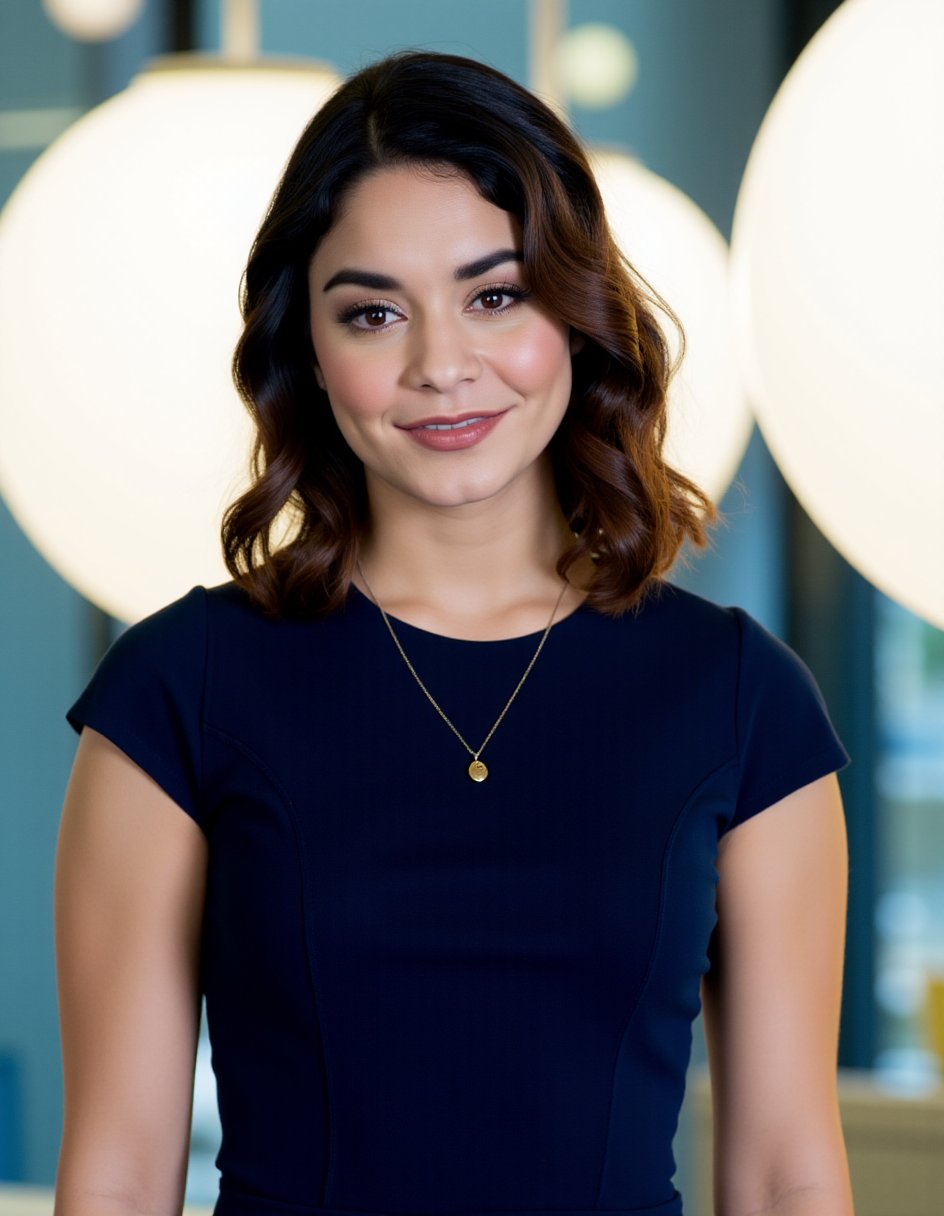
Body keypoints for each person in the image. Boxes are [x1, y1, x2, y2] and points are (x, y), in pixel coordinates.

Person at [54, 51, 854, 1216]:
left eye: (493, 294)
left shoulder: (738, 699)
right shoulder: (179, 694)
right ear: (309, 351)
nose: (440, 365)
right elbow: (119, 1179)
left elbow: (786, 1175)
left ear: (574, 313)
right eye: (373, 312)